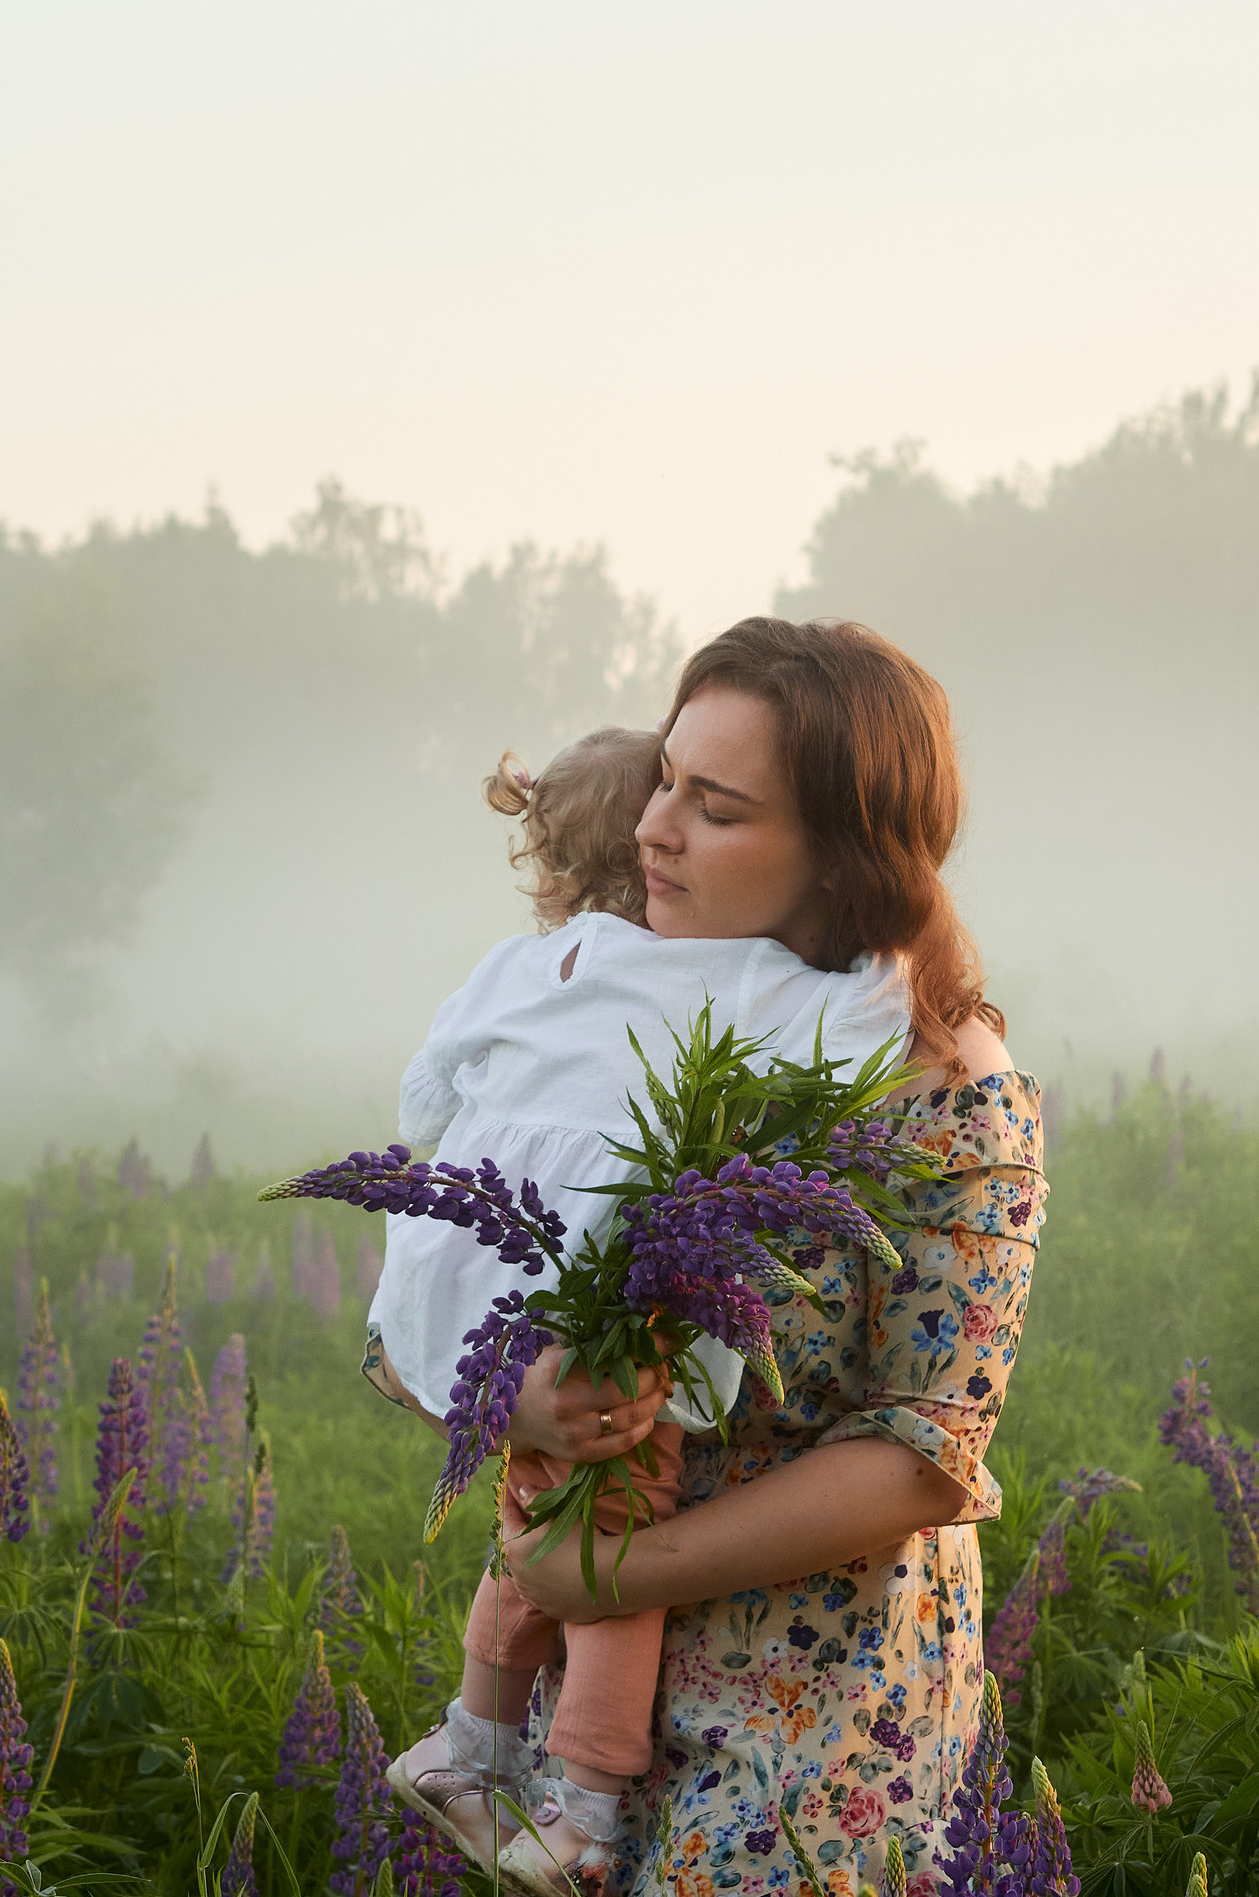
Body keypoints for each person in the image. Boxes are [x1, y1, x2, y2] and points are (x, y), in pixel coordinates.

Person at [486, 619, 1045, 1896]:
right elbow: (417, 1302)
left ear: (846, 859)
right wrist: (527, 1398)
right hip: (577, 1710)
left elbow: (926, 1452)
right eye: (665, 781)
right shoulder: (614, 1004)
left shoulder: (945, 1088)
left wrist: (613, 1565)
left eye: (715, 808)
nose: (652, 829)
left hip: (819, 1716)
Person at [362, 722, 909, 1887]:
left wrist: (480, 1126)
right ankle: (586, 1805)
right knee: (608, 1536)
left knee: (541, 1512)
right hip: (595, 1304)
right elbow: (870, 1005)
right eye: (671, 798)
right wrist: (900, 950)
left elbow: (423, 1097)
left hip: (471, 1279)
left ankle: (471, 1742)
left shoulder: (520, 969)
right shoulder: (745, 973)